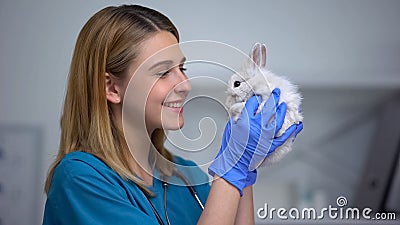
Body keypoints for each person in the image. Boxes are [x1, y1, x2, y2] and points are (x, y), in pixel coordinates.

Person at [42, 5, 303, 225]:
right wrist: (232, 168)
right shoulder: (81, 179)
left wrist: (245, 167)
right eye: (163, 72)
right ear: (112, 88)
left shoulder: (187, 177)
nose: (185, 84)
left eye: (182, 67)